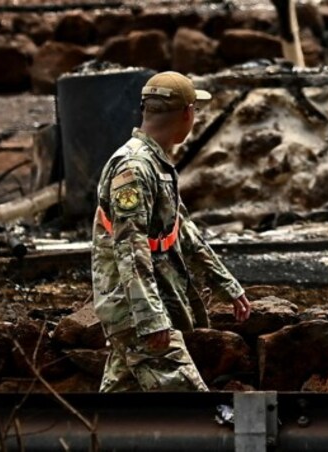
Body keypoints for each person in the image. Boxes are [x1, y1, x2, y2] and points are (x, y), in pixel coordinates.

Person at [91, 71, 251, 392]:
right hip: (134, 309)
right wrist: (150, 318)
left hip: (146, 303)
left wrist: (226, 284)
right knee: (190, 409)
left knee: (118, 409)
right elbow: (130, 250)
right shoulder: (134, 168)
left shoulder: (155, 164)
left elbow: (183, 230)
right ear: (187, 113)